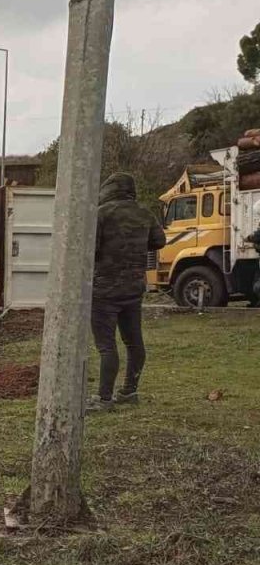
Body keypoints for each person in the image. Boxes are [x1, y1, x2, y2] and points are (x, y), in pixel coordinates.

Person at [88, 173, 166, 412]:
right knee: (134, 342)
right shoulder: (145, 213)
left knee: (106, 346)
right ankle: (129, 391)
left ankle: (104, 399)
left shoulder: (102, 214)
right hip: (133, 287)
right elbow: (159, 241)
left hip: (105, 290)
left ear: (109, 188)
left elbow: (91, 247)